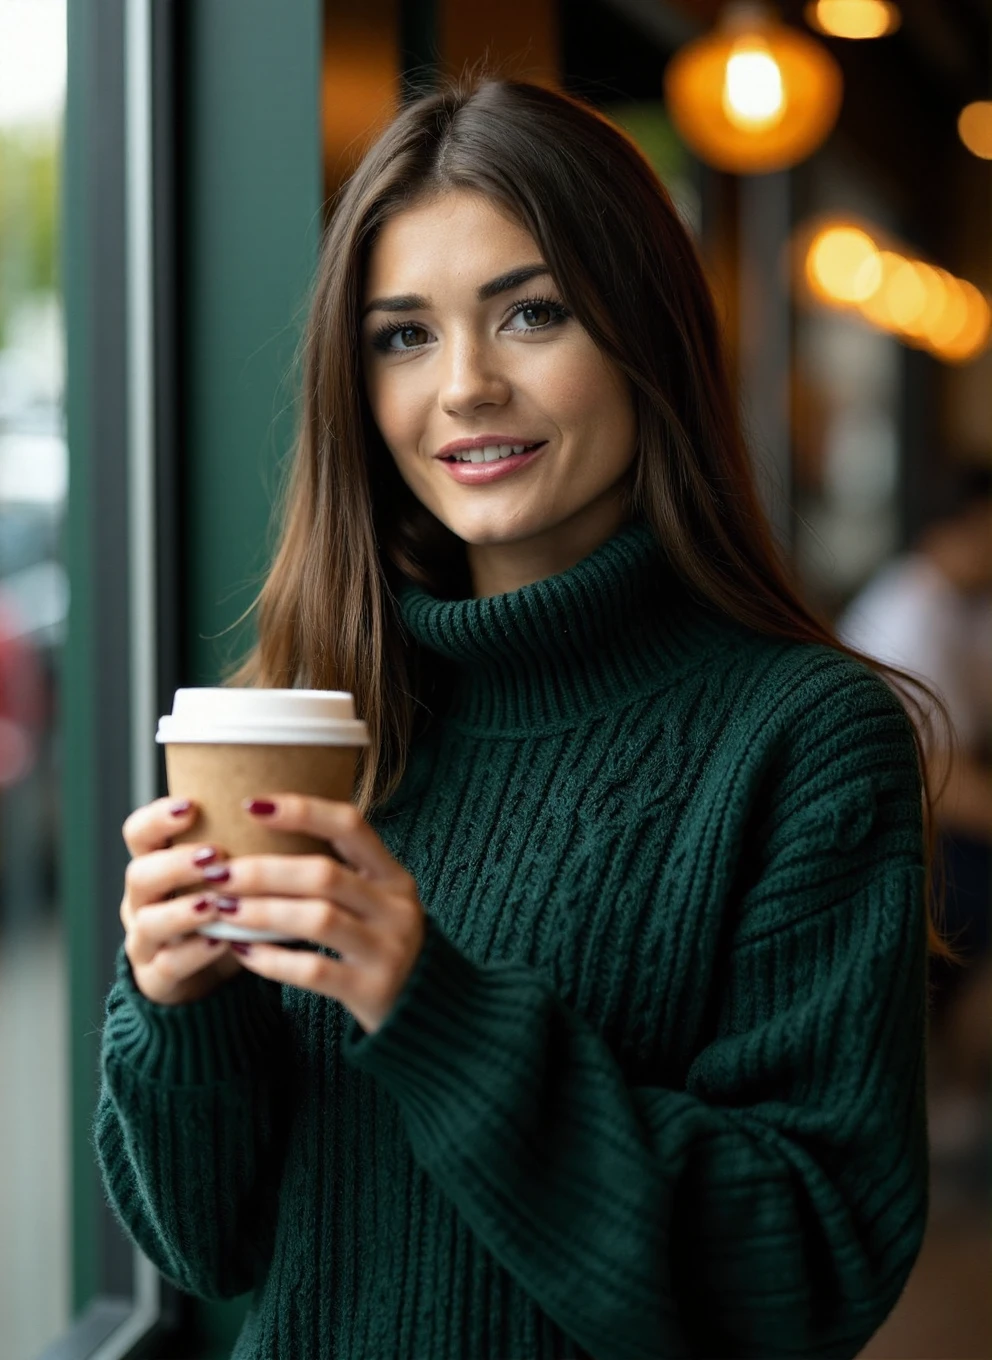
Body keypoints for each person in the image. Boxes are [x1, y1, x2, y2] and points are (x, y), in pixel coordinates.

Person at [95, 75, 946, 1360]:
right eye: (402, 335)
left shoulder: (803, 739)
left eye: (530, 313)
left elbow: (811, 1263)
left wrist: (430, 1007)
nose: (464, 388)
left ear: (642, 335)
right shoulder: (318, 712)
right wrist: (179, 1007)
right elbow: (209, 1243)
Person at [837, 470, 992, 1094]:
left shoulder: (954, 604)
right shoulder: (913, 612)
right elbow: (939, 781)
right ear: (952, 531)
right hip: (886, 841)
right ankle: (957, 1089)